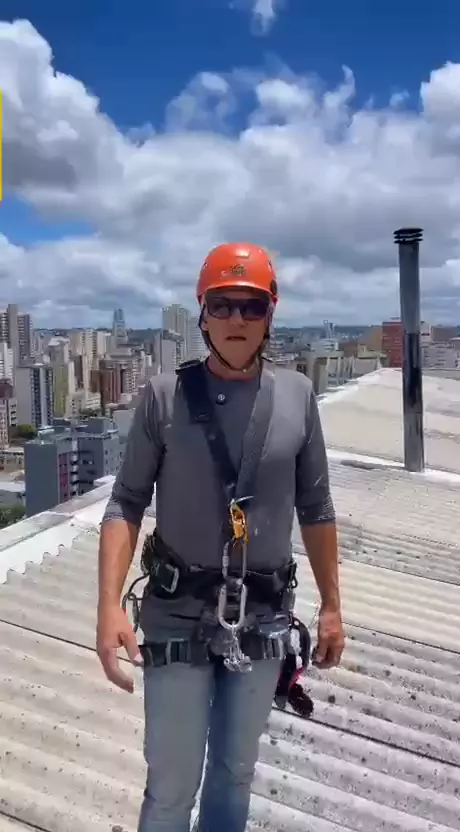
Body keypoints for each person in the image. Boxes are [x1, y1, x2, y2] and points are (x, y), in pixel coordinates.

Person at [96, 241, 345, 832]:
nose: (237, 319)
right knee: (172, 784)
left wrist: (333, 606)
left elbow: (316, 506)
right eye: (223, 305)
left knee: (235, 772)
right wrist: (108, 607)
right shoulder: (163, 397)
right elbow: (126, 501)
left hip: (261, 616)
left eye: (251, 306)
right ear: (203, 314)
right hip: (177, 612)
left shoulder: (298, 397)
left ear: (270, 315)